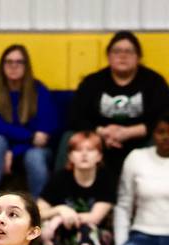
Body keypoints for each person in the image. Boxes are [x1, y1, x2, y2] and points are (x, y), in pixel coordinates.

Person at [69, 30, 169, 182]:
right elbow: (76, 115)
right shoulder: (92, 82)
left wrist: (129, 132)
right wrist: (102, 132)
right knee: (68, 138)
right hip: (101, 139)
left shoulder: (154, 82)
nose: (123, 55)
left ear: (138, 57)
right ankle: (64, 192)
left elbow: (163, 116)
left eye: (129, 51)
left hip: (142, 138)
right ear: (108, 56)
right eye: (117, 51)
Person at [0, 45, 58, 205]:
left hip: (32, 151)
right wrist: (28, 136)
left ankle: (41, 209)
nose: (13, 66)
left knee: (34, 155)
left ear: (26, 65)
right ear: (2, 66)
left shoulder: (38, 90)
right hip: (2, 149)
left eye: (19, 62)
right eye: (8, 62)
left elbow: (44, 134)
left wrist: (13, 152)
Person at [108, 112, 169, 245]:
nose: (166, 137)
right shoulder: (137, 158)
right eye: (161, 132)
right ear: (153, 134)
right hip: (142, 236)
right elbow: (123, 206)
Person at [37, 131, 116, 245]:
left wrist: (60, 218)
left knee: (87, 229)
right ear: (70, 156)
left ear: (99, 156)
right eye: (78, 150)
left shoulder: (105, 179)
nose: (84, 155)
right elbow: (39, 211)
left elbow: (94, 217)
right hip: (65, 236)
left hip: (98, 236)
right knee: (45, 228)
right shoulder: (60, 178)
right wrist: (60, 209)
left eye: (90, 150)